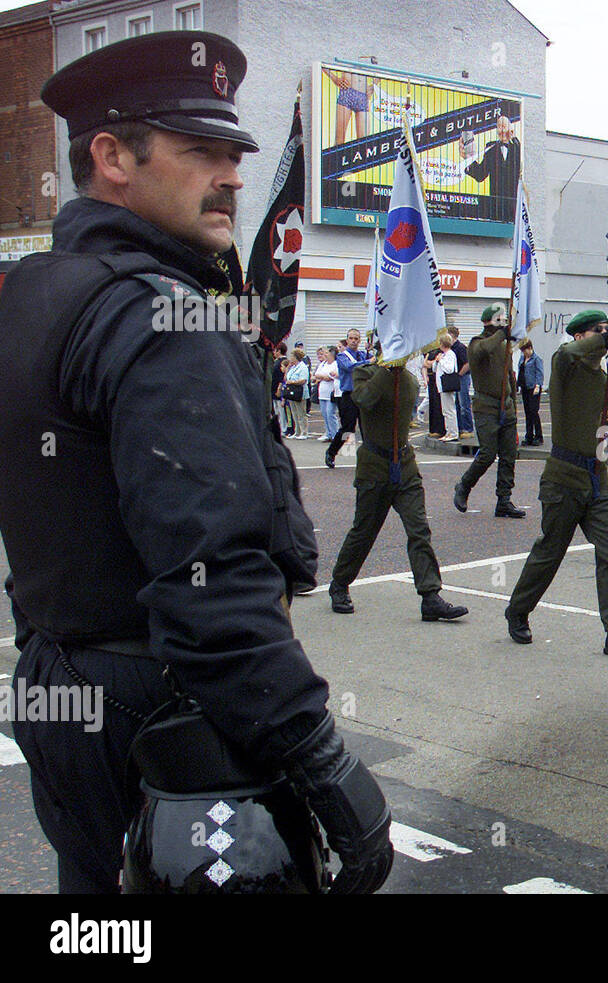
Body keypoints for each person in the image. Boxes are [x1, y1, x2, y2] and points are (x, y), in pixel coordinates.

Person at [0, 30, 391, 893]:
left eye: (236, 153)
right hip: (168, 715)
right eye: (201, 152)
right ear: (112, 157)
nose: (234, 176)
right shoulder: (162, 318)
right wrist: (323, 762)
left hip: (62, 690)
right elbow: (212, 577)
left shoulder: (36, 291)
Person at [504, 311, 608, 658]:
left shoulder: (600, 374)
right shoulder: (565, 363)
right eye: (598, 332)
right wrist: (604, 339)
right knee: (550, 552)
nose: (605, 336)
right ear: (581, 336)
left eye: (606, 331)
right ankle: (518, 610)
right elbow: (569, 354)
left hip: (596, 479)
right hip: (564, 477)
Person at [329, 340, 469, 623]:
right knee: (364, 531)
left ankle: (430, 596)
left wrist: (395, 371)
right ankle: (339, 584)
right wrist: (385, 370)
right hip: (374, 467)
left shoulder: (408, 380)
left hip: (404, 466)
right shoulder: (365, 373)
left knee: (419, 530)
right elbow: (364, 400)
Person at [453, 303, 525, 518]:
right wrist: (501, 334)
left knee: (508, 456)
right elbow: (485, 349)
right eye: (501, 319)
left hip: (507, 407)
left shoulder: (503, 346)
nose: (504, 323)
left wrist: (514, 402)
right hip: (486, 407)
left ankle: (504, 500)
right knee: (487, 453)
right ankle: (464, 486)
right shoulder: (477, 343)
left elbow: (509, 376)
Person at [325, 327, 371, 467]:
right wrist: (369, 361)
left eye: (356, 338)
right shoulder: (342, 356)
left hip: (363, 394)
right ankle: (332, 452)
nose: (353, 341)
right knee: (348, 428)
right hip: (348, 395)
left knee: (366, 427)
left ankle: (369, 458)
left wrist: (371, 352)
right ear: (347, 340)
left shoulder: (364, 355)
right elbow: (351, 367)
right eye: (351, 338)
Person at [463, 115, 520, 223]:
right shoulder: (491, 148)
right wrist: (468, 159)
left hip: (514, 207)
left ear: (511, 129)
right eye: (499, 127)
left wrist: (513, 138)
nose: (501, 130)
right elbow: (480, 175)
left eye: (504, 126)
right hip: (495, 207)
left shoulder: (517, 148)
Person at [448, 323, 474, 439]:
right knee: (457, 404)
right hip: (456, 377)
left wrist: (459, 374)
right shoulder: (451, 348)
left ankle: (468, 428)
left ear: (453, 336)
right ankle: (459, 427)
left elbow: (467, 364)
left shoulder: (460, 348)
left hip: (462, 377)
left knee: (464, 403)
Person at [518, 338, 545, 445]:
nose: (524, 353)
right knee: (527, 413)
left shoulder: (536, 359)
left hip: (533, 388)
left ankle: (539, 436)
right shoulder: (522, 358)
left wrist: (538, 386)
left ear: (530, 348)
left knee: (534, 412)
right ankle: (529, 435)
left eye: (525, 350)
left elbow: (540, 373)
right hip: (524, 388)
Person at [434, 333, 460, 442]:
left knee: (450, 410)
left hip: (447, 385)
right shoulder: (444, 355)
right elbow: (435, 369)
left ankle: (453, 433)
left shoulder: (450, 354)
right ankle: (448, 431)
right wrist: (437, 361)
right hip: (442, 387)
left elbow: (449, 369)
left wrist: (441, 361)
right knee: (445, 411)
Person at [315, 346, 339, 441]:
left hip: (331, 393)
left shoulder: (335, 364)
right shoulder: (323, 364)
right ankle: (328, 433)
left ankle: (334, 435)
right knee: (324, 414)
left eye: (327, 353)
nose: (325, 354)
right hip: (322, 393)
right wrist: (323, 376)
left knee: (330, 414)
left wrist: (324, 376)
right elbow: (317, 374)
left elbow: (330, 377)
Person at [284, 348, 310, 439]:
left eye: (291, 356)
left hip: (300, 392)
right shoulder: (293, 367)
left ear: (296, 357)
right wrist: (288, 367)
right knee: (294, 412)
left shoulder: (303, 367)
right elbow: (286, 377)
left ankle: (304, 432)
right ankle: (297, 431)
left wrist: (292, 382)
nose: (290, 358)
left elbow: (303, 380)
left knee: (301, 413)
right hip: (292, 393)